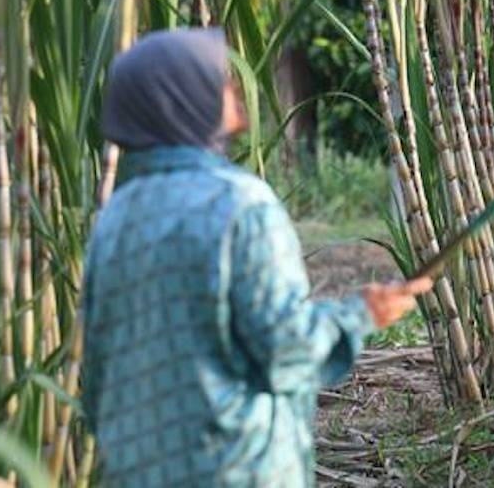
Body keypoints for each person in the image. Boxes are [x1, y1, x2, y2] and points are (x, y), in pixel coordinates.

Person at [80, 28, 432, 487]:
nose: (232, 87)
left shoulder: (116, 217)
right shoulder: (241, 205)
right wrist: (360, 313)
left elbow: (99, 370)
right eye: (216, 79)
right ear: (182, 99)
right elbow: (284, 349)